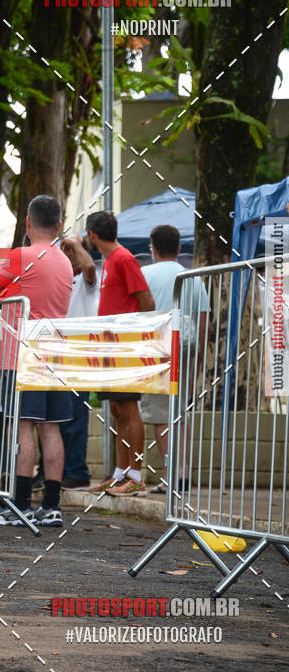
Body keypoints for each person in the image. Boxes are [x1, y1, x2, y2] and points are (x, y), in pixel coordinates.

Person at [0, 195, 74, 527]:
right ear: (59, 226)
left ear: (28, 223)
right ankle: (50, 506)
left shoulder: (21, 256)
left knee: (22, 427)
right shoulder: (64, 260)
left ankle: (18, 505)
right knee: (52, 429)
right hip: (55, 352)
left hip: (21, 352)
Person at [85, 211, 155, 497]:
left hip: (123, 347)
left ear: (92, 234)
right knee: (116, 409)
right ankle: (120, 474)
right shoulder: (112, 260)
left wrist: (131, 335)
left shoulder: (124, 258)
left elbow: (147, 301)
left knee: (128, 408)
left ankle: (135, 475)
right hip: (109, 348)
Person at [141, 225, 208, 494]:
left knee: (161, 416)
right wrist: (200, 357)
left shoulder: (145, 273)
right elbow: (204, 321)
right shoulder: (195, 276)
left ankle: (172, 477)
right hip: (188, 346)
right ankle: (182, 473)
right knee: (180, 413)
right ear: (179, 249)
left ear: (153, 248)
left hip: (158, 348)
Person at [59, 233, 100, 490]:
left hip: (79, 354)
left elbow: (90, 267)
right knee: (54, 418)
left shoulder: (87, 280)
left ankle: (77, 472)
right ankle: (57, 470)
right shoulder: (59, 278)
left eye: (70, 251)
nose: (67, 255)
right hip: (56, 352)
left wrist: (74, 243)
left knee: (75, 416)